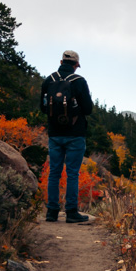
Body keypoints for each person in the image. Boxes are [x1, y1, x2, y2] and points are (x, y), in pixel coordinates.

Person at [40, 50, 94, 223]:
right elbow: (88, 109)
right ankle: (71, 212)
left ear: (61, 61)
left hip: (54, 134)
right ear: (75, 65)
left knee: (54, 173)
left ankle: (51, 212)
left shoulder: (49, 80)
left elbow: (42, 108)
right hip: (75, 134)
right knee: (72, 173)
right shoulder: (79, 82)